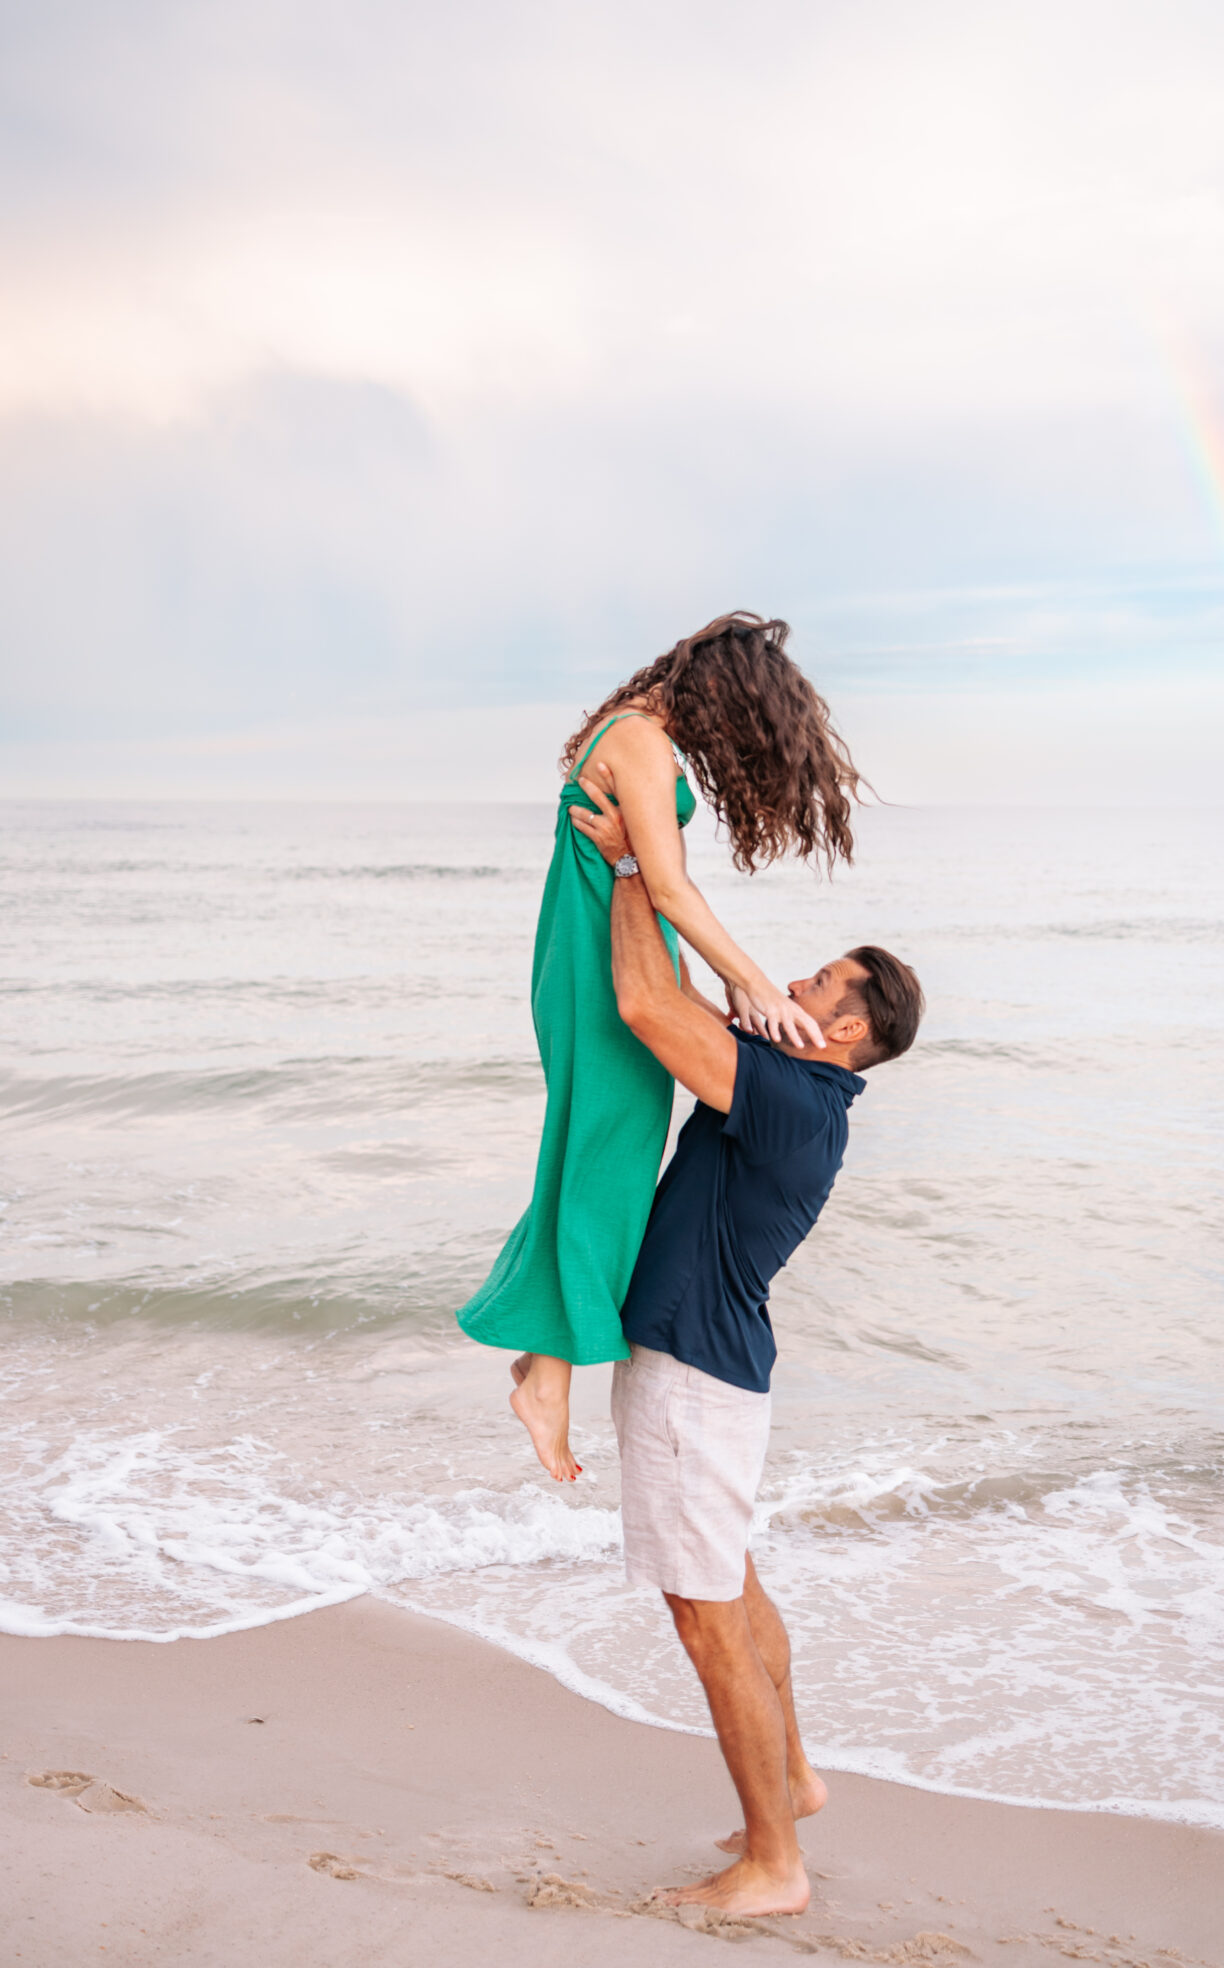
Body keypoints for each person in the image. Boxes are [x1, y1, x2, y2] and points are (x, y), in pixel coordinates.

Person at [571, 775, 924, 1920]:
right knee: (738, 1586)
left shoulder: (789, 1097)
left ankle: (774, 1864)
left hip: (692, 1373)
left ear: (851, 1029)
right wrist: (655, 875)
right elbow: (690, 986)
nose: (793, 982)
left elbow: (640, 1001)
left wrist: (634, 866)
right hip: (720, 1369)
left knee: (706, 1612)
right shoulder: (799, 1088)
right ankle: (801, 1779)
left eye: (819, 981)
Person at [457, 614, 862, 1484]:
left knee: (600, 1158)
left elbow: (650, 876)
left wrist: (711, 984)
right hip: (601, 967)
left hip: (603, 952)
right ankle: (544, 1377)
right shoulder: (639, 741)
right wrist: (750, 985)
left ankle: (547, 1367)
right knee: (602, 1160)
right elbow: (668, 885)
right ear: (729, 698)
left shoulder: (632, 734)